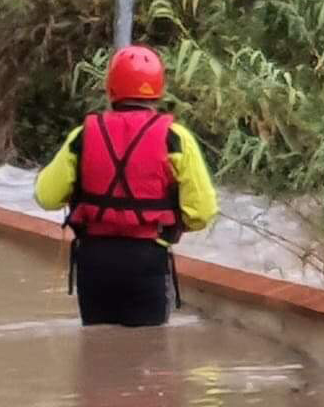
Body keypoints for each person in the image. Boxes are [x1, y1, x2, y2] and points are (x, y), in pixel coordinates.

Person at [34, 45, 217, 327]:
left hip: (94, 261)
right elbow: (202, 212)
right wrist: (170, 223)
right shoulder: (175, 139)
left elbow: (46, 197)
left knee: (96, 355)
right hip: (148, 259)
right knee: (149, 354)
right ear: (158, 89)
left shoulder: (83, 135)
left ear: (111, 88)